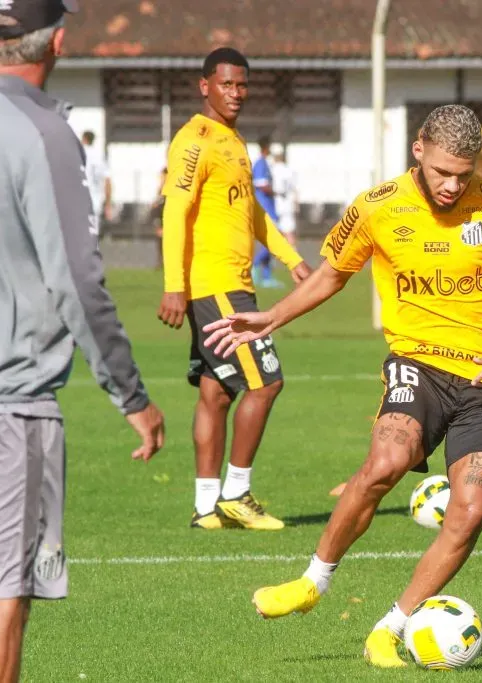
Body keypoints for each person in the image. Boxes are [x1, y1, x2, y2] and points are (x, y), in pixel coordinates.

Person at [201, 104, 482, 668]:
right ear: (419, 149)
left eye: (463, 174)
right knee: (387, 461)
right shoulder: (377, 207)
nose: (452, 185)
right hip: (419, 364)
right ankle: (314, 581)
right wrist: (272, 317)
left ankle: (392, 628)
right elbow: (332, 274)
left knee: (470, 508)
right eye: (442, 172)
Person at [0, 1, 166, 680]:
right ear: (59, 41)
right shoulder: (42, 132)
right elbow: (77, 280)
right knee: (2, 594)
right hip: (6, 403)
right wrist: (131, 393)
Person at [157, 48, 312, 531]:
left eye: (242, 85)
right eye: (226, 84)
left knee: (217, 392)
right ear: (205, 85)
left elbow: (252, 212)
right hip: (217, 287)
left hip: (228, 284)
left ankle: (207, 508)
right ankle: (237, 494)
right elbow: (174, 213)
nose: (236, 93)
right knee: (266, 383)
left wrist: (291, 259)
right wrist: (173, 287)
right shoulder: (194, 140)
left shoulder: (233, 140)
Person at [251, 136, 281, 289]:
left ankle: (266, 276)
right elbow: (261, 184)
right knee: (271, 241)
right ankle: (254, 266)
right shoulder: (260, 164)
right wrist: (276, 192)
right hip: (264, 207)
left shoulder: (264, 163)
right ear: (266, 147)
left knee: (271, 240)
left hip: (269, 206)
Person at [80, 130, 112, 235]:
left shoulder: (77, 153)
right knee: (92, 235)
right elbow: (107, 180)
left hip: (78, 199)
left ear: (84, 139)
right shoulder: (99, 156)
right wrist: (108, 203)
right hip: (95, 201)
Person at [268, 143, 299, 249]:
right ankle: (293, 256)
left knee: (276, 233)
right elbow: (295, 189)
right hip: (288, 204)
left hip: (277, 204)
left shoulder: (272, 170)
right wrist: (296, 204)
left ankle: (292, 257)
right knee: (288, 231)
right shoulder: (289, 169)